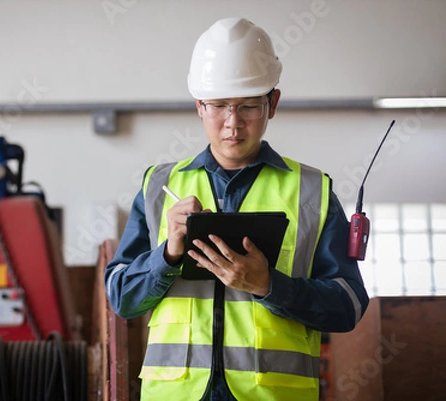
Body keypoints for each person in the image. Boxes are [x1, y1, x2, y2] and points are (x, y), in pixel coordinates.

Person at [105, 17, 369, 401]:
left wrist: (269, 286)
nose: (233, 123)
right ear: (199, 106)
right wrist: (168, 253)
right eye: (219, 106)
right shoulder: (158, 188)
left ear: (272, 104)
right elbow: (122, 299)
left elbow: (348, 306)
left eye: (247, 106)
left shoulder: (313, 192)